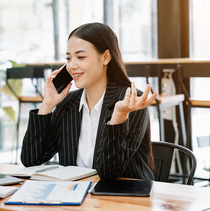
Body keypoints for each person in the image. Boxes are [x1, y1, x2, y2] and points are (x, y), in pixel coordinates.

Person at [20, 22, 158, 180]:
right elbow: (31, 160)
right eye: (68, 58)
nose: (72, 65)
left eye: (81, 57)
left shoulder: (131, 102)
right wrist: (47, 105)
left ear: (105, 57)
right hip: (75, 196)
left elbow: (109, 174)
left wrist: (119, 116)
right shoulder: (68, 104)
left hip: (123, 199)